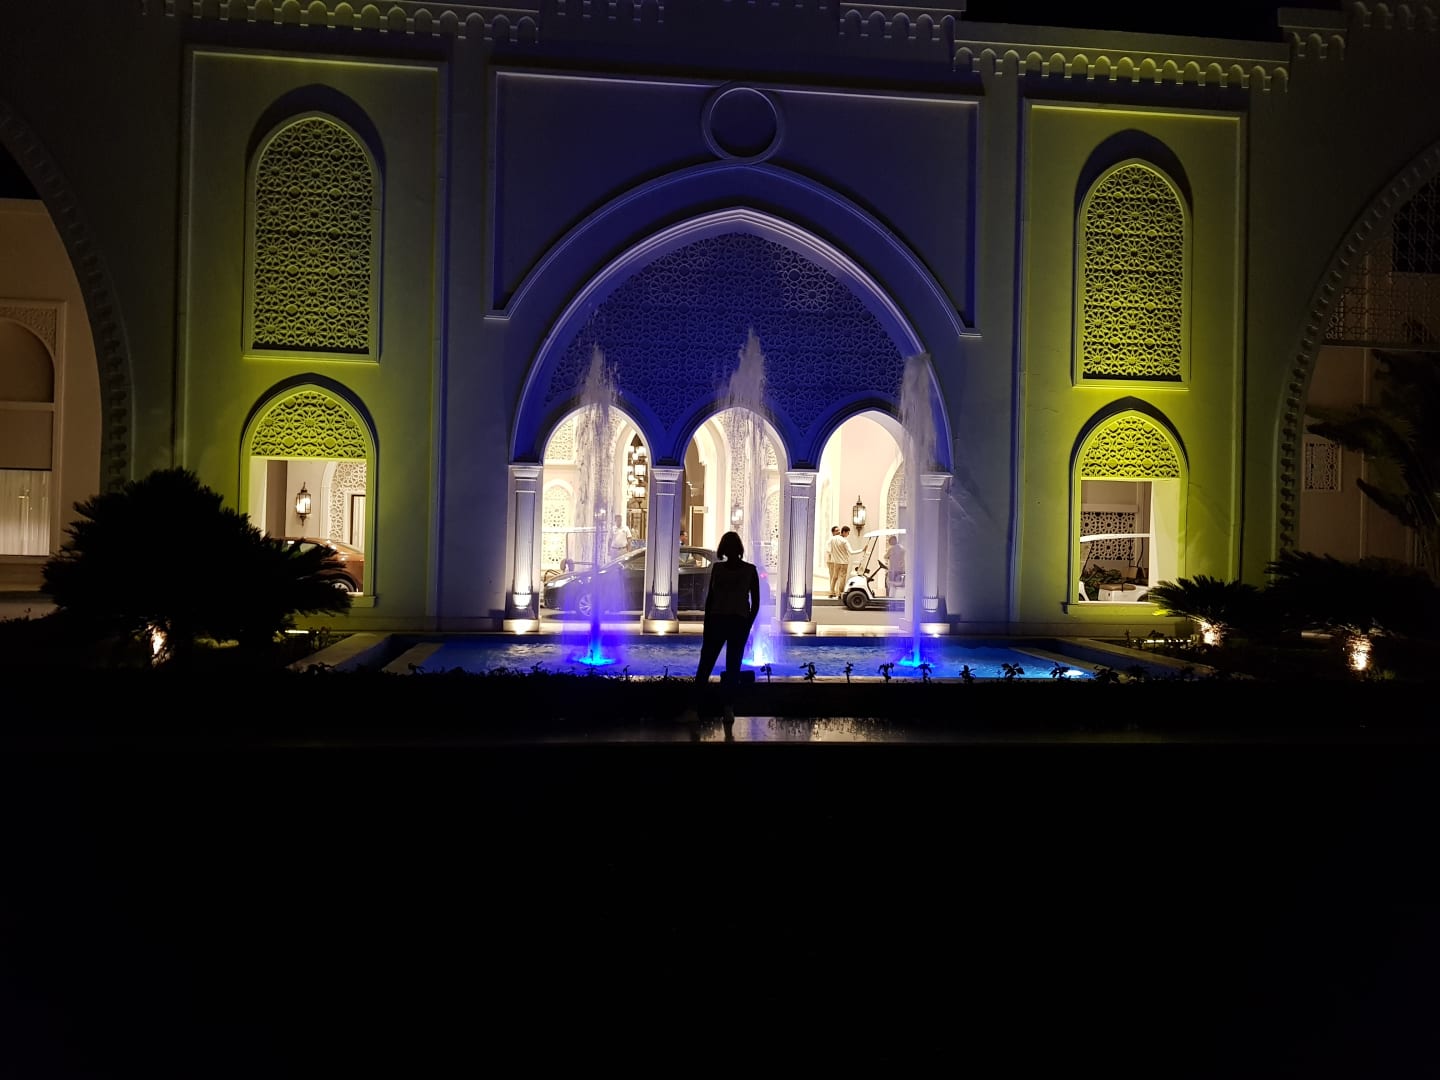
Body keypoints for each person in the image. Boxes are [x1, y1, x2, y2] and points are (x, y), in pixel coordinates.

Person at [693, 530, 761, 733]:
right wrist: (748, 624)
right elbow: (755, 602)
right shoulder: (748, 570)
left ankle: (696, 707)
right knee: (732, 666)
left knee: (707, 664)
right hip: (736, 621)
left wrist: (707, 624)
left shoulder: (721, 569)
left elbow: (711, 599)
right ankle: (727, 708)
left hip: (719, 620)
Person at [826, 524, 850, 598]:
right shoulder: (831, 540)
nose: (839, 531)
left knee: (837, 577)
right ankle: (832, 592)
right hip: (831, 561)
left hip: (836, 560)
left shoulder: (838, 539)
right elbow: (829, 550)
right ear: (833, 532)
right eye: (837, 531)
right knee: (833, 576)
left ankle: (836, 592)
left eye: (839, 530)